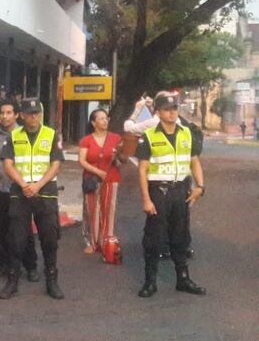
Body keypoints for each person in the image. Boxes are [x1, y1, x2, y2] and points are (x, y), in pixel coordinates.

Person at [136, 93, 206, 298]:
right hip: (159, 192)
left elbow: (194, 162)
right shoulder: (149, 136)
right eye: (167, 109)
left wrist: (200, 187)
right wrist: (146, 200)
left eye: (175, 108)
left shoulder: (186, 133)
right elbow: (142, 170)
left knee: (181, 236)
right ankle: (150, 282)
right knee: (154, 238)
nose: (172, 112)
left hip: (180, 192)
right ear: (157, 111)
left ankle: (183, 279)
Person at [0, 98, 65, 300]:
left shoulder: (51, 134)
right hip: (21, 193)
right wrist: (23, 184)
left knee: (49, 239)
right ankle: (12, 281)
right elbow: (8, 164)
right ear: (22, 115)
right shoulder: (13, 136)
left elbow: (56, 163)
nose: (34, 116)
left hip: (45, 192)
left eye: (37, 112)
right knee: (16, 240)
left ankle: (52, 281)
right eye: (29, 113)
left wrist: (37, 184)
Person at [0, 100, 39, 280]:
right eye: (2, 113)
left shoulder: (24, 134)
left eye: (8, 113)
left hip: (19, 189)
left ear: (16, 115)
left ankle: (30, 266)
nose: (4, 116)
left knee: (23, 229)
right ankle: (4, 265)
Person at [78, 108, 125, 261]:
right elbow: (82, 161)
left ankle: (107, 241)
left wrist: (117, 157)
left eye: (106, 118)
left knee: (108, 210)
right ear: (93, 122)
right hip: (92, 179)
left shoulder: (116, 138)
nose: (105, 121)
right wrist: (97, 172)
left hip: (111, 178)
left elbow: (122, 160)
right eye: (101, 118)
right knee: (92, 210)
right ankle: (93, 242)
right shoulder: (86, 140)